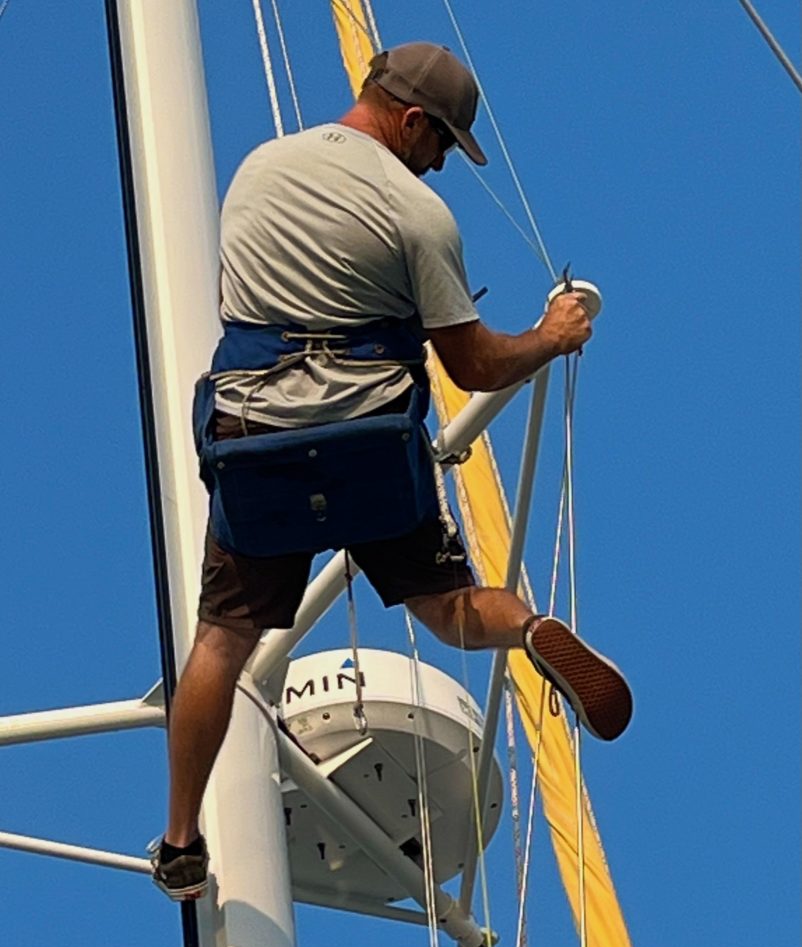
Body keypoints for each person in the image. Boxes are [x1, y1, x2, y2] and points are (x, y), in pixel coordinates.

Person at [149, 42, 633, 901]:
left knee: (222, 641)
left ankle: (181, 839)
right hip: (365, 442)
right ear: (411, 121)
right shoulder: (417, 215)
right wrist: (550, 337)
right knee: (448, 609)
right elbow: (475, 365)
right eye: (443, 142)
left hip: (254, 439)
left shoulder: (260, 170)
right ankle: (528, 632)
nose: (442, 163)